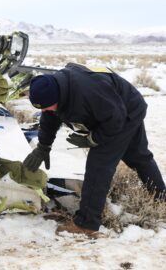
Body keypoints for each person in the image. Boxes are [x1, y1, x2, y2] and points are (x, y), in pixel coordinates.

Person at [24, 63, 166, 236]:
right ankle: (162, 199)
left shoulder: (89, 91)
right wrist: (43, 147)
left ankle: (86, 223)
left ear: (58, 96)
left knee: (99, 165)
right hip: (118, 107)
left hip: (124, 113)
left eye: (48, 106)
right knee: (139, 156)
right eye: (42, 108)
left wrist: (93, 139)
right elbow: (49, 117)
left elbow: (115, 121)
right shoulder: (54, 91)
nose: (45, 110)